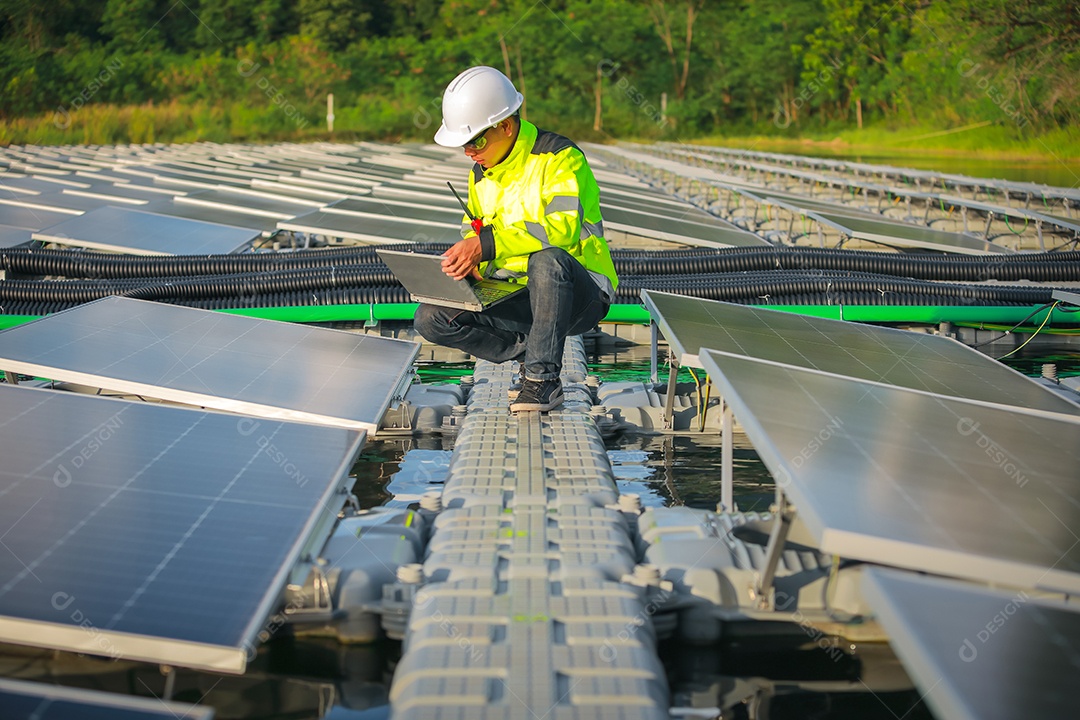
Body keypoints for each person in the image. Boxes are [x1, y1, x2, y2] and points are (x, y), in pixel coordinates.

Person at [415, 66, 618, 413]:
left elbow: (561, 230)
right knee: (430, 318)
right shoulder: (481, 175)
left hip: (576, 293)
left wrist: (487, 245)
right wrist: (472, 264)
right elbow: (473, 228)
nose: (469, 152)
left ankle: (542, 380)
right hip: (516, 292)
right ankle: (534, 351)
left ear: (506, 126)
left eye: (476, 140)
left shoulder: (559, 157)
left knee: (547, 261)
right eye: (464, 144)